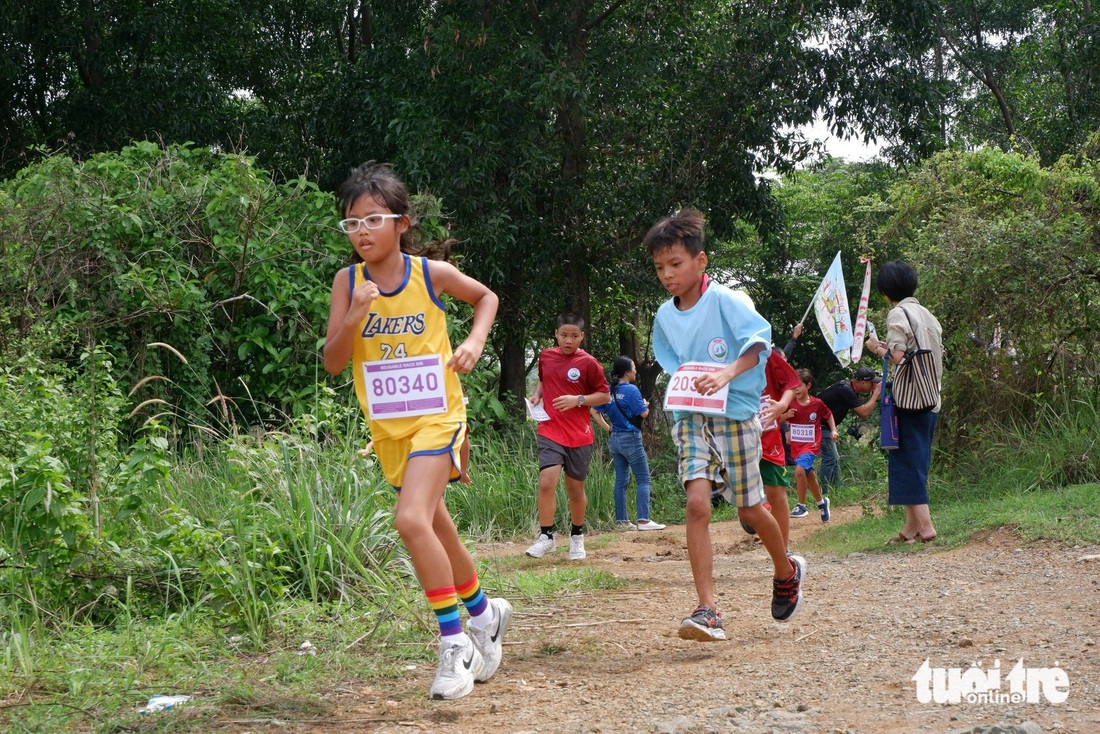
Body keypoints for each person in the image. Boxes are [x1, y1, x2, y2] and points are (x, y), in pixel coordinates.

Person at [323, 161, 512, 701]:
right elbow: (334, 362)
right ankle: (485, 612)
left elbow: (486, 298)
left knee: (409, 520)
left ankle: (455, 646)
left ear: (401, 223)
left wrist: (474, 342)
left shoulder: (428, 274)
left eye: (373, 220)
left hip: (438, 415)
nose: (361, 232)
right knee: (435, 525)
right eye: (352, 223)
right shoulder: (348, 283)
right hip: (389, 428)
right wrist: (356, 316)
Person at [646, 207, 805, 641]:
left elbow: (759, 346)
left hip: (735, 416)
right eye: (660, 267)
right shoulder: (664, 315)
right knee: (696, 505)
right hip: (691, 417)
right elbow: (673, 362)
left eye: (675, 264)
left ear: (701, 262)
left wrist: (726, 373)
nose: (667, 274)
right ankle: (707, 609)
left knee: (750, 509)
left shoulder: (729, 300)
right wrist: (688, 386)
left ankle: (786, 569)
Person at [865, 260, 943, 544]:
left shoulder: (898, 314)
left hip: (909, 400)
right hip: (931, 397)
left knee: (907, 461)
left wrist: (876, 347)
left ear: (886, 291)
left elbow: (898, 357)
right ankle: (910, 528)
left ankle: (926, 526)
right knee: (916, 460)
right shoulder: (927, 315)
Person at [525, 313, 610, 561]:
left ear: (582, 336)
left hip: (579, 435)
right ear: (556, 334)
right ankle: (546, 537)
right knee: (546, 481)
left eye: (574, 336)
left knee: (575, 489)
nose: (568, 340)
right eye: (564, 335)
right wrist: (537, 395)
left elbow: (604, 396)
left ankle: (577, 536)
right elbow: (543, 378)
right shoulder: (546, 356)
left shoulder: (589, 363)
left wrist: (578, 400)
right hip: (550, 429)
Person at [592, 356, 666, 531]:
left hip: (615, 439)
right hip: (631, 438)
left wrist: (608, 428)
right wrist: (645, 405)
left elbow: (594, 410)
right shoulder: (631, 390)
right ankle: (643, 520)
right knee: (643, 479)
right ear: (626, 372)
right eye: (633, 368)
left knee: (621, 481)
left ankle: (622, 521)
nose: (635, 371)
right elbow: (643, 414)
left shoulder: (608, 390)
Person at [741, 348, 802, 549]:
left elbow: (792, 384)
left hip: (768, 437)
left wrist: (781, 406)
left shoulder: (766, 354)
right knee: (740, 489)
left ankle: (784, 550)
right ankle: (750, 507)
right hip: (735, 434)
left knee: (776, 491)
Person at [816, 366, 882, 492]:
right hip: (820, 425)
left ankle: (836, 490)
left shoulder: (848, 387)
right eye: (872, 383)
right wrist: (876, 396)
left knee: (834, 458)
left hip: (826, 426)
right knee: (830, 458)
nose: (873, 386)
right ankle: (823, 493)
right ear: (863, 383)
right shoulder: (846, 389)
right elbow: (863, 413)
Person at [787, 368, 838, 523]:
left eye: (799, 386)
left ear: (808, 386)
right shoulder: (790, 403)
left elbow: (828, 415)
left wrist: (834, 430)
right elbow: (778, 417)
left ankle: (801, 505)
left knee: (799, 471)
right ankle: (822, 503)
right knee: (808, 474)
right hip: (796, 446)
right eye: (793, 386)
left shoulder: (817, 403)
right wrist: (786, 418)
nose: (796, 389)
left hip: (812, 444)